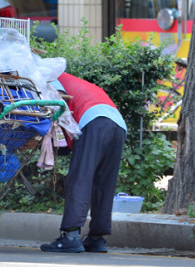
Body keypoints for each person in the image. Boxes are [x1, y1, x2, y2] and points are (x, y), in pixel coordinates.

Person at [40, 72, 127, 253]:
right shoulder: (73, 80)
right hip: (117, 123)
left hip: (93, 120)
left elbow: (57, 103)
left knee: (80, 178)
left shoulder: (49, 75)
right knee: (104, 182)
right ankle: (97, 238)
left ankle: (71, 237)